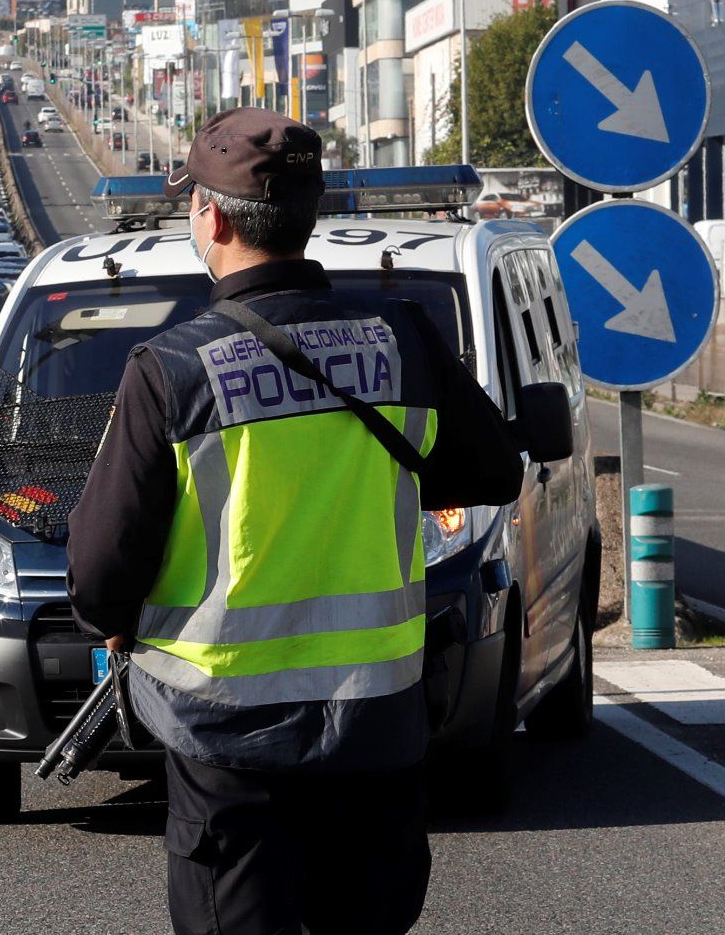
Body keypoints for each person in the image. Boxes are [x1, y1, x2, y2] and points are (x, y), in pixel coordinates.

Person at [66, 108, 525, 935]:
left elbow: (101, 573)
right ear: (309, 217)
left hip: (225, 735)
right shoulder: (405, 340)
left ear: (209, 218)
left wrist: (112, 624)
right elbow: (493, 470)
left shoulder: (171, 370)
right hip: (378, 721)